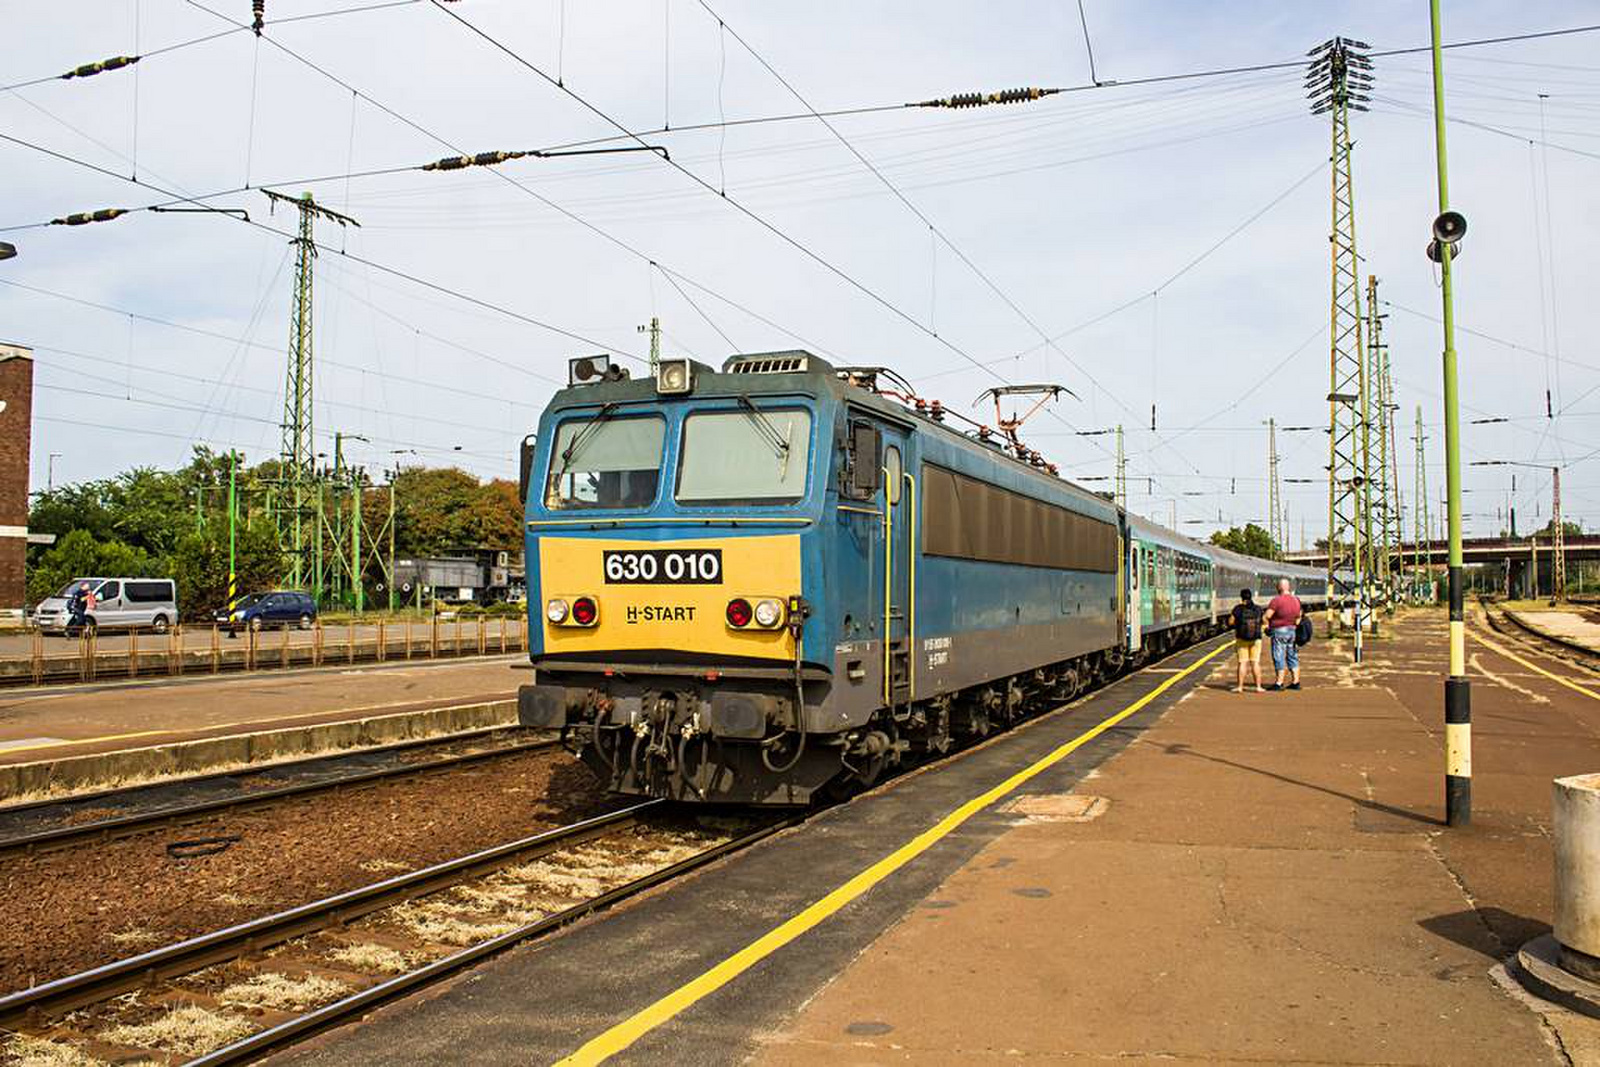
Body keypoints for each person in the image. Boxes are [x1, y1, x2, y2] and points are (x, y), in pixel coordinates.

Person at [1262, 577, 1303, 691]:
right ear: (1288, 587)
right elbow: (1299, 616)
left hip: (1279, 631)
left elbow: (1267, 616)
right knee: (1292, 656)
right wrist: (1294, 625)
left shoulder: (1277, 600)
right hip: (1292, 631)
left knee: (1278, 656)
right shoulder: (1296, 600)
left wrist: (1266, 626)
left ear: (1279, 588)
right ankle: (1296, 681)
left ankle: (1279, 683)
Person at [1228, 588, 1265, 693]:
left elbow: (1231, 622)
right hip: (1256, 639)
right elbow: (1264, 621)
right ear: (1251, 596)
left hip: (1241, 639)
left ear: (1241, 597)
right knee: (1255, 663)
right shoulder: (1258, 608)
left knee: (1242, 663)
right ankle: (1258, 687)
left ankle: (1240, 687)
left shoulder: (1238, 609)